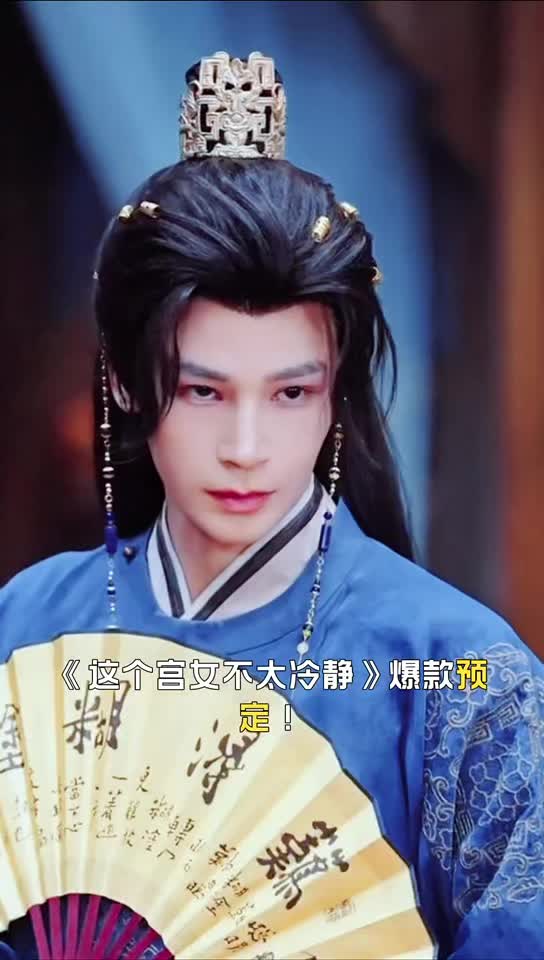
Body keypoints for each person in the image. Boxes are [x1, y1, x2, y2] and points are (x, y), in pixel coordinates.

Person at [0, 51, 542, 960]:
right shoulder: (25, 626)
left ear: (338, 389)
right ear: (125, 381)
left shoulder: (459, 676)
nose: (246, 447)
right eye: (203, 391)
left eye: (291, 392)